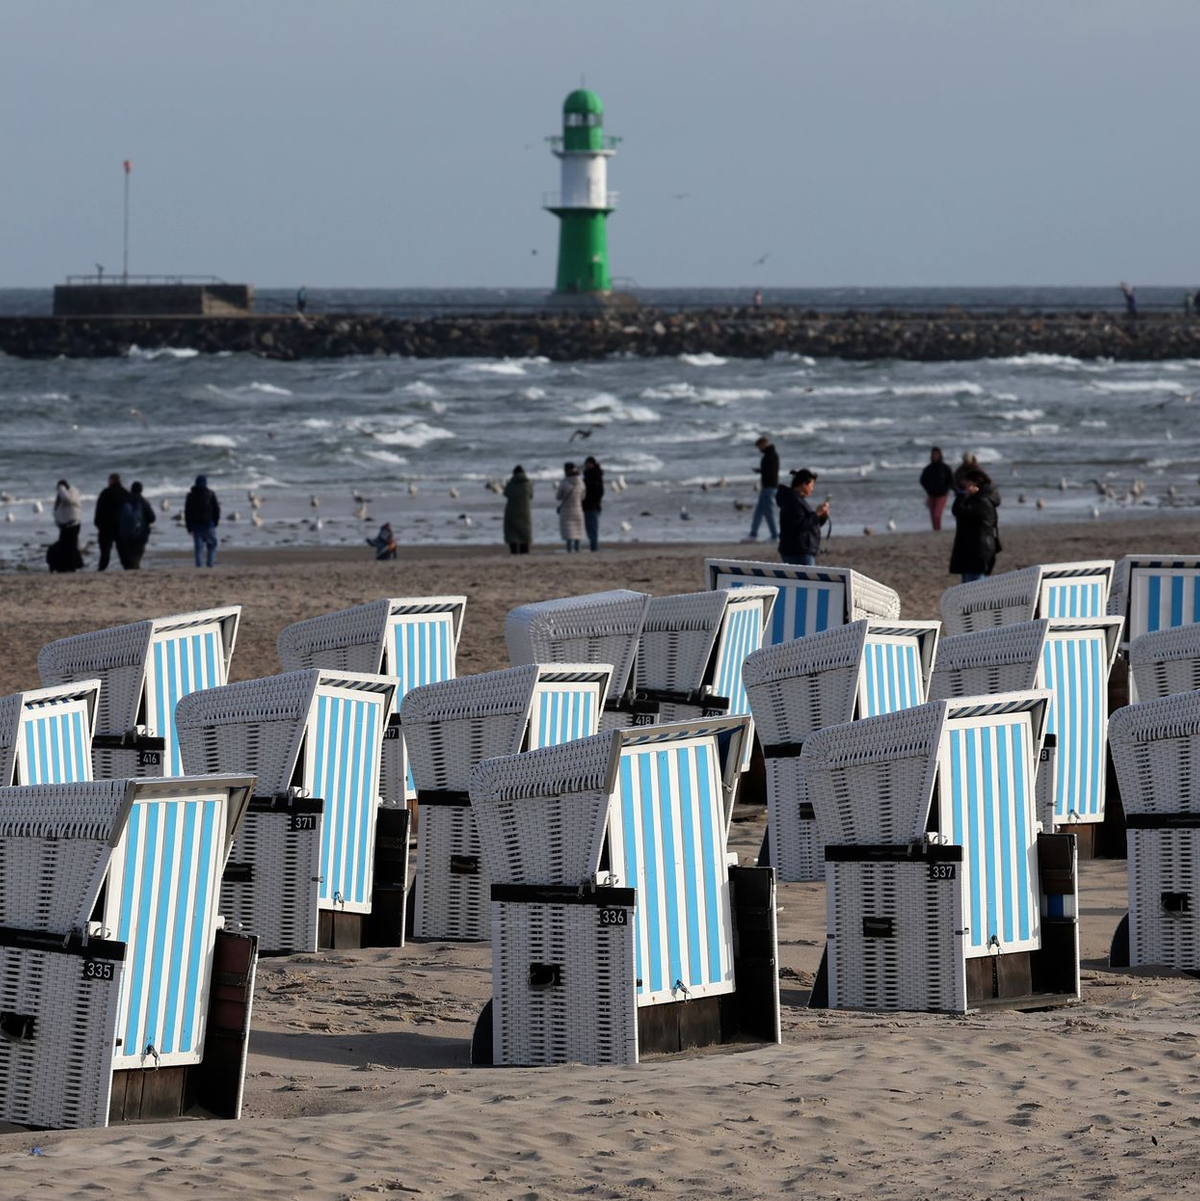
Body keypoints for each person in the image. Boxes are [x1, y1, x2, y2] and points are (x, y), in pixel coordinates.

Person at [949, 468, 1002, 583]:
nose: (964, 486)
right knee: (970, 586)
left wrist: (963, 496)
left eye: (967, 483)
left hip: (977, 550)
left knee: (974, 587)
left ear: (974, 483)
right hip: (975, 548)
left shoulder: (980, 501)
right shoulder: (982, 498)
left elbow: (958, 510)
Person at [776, 468, 829, 566]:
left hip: (797, 549)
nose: (812, 489)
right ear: (804, 484)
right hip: (798, 551)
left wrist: (822, 516)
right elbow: (801, 525)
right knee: (809, 580)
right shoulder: (793, 501)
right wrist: (816, 514)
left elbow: (810, 525)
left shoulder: (795, 500)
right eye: (811, 485)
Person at [745, 435, 779, 542]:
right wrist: (760, 470)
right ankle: (753, 534)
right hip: (766, 487)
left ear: (764, 444)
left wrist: (762, 471)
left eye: (759, 447)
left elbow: (772, 472)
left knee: (768, 512)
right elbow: (768, 470)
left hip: (770, 487)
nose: (759, 449)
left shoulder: (772, 455)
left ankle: (774, 536)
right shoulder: (768, 455)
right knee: (758, 512)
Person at [93, 472, 129, 571]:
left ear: (111, 480)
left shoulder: (105, 493)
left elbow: (99, 510)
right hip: (121, 525)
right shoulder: (125, 493)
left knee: (105, 550)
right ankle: (127, 566)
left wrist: (97, 523)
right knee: (122, 548)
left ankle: (102, 567)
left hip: (106, 526)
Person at [116, 481, 155, 569]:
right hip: (141, 533)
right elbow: (152, 518)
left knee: (128, 553)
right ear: (141, 490)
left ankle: (129, 567)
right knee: (137, 554)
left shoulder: (124, 500)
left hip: (125, 533)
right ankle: (134, 568)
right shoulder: (143, 502)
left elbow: (117, 516)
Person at [185, 474, 221, 568]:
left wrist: (188, 527)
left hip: (196, 526)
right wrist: (216, 522)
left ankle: (199, 566)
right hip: (209, 524)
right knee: (212, 544)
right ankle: (210, 564)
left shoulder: (190, 495)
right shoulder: (210, 494)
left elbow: (187, 512)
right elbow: (216, 509)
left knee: (198, 548)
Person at [48, 479, 84, 573]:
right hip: (64, 526)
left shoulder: (72, 492)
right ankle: (66, 566)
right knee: (65, 547)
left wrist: (61, 488)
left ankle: (72, 567)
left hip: (72, 524)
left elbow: (68, 499)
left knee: (71, 546)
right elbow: (57, 509)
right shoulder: (61, 496)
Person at [919, 446, 955, 531]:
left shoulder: (945, 468)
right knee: (932, 515)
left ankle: (938, 530)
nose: (935, 456)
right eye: (933, 454)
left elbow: (951, 480)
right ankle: (935, 530)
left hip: (942, 495)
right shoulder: (928, 468)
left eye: (936, 454)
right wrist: (928, 489)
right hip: (931, 494)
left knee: (937, 514)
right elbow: (922, 480)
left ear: (940, 455)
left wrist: (946, 489)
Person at [555, 461, 585, 553]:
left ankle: (569, 551)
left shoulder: (564, 483)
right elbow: (583, 497)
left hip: (566, 511)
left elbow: (558, 497)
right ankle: (577, 550)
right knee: (577, 532)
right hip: (578, 509)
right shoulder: (580, 482)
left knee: (569, 533)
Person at [503, 465, 533, 554]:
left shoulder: (510, 484)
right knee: (525, 534)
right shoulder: (528, 484)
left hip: (511, 511)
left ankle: (514, 552)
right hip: (525, 512)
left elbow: (505, 493)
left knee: (512, 533)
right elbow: (531, 496)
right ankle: (525, 552)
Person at [582, 455, 604, 552]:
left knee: (592, 530)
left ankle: (594, 549)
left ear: (592, 464)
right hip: (587, 506)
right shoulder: (588, 475)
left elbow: (600, 491)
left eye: (587, 464)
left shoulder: (595, 476)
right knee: (590, 529)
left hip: (593, 506)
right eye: (585, 464)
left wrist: (594, 501)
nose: (586, 465)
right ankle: (593, 548)